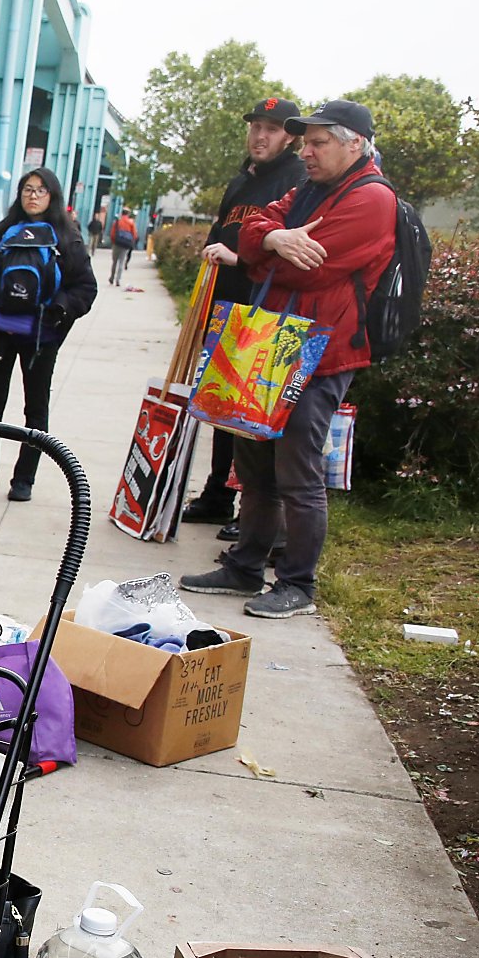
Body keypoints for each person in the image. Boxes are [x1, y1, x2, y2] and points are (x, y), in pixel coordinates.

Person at [180, 100, 395, 619]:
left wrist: (262, 252)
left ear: (355, 143)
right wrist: (274, 238)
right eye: (306, 141)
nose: (307, 150)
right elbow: (249, 233)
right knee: (252, 464)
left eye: (318, 141)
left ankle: (297, 583)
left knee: (298, 471)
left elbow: (307, 270)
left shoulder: (372, 200)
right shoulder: (311, 190)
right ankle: (245, 566)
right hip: (273, 341)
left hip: (322, 351)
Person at [182, 98, 309, 530]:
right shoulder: (243, 179)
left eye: (272, 129)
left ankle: (249, 507)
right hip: (227, 309)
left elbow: (290, 249)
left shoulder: (296, 180)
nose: (260, 136)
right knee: (222, 406)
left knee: (253, 412)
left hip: (266, 313)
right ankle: (218, 492)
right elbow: (223, 230)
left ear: (290, 136)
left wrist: (238, 258)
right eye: (256, 126)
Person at [0, 168, 98, 502]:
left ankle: (24, 480)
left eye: (41, 190)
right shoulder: (2, 233)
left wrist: (59, 311)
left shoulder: (68, 238)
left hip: (41, 338)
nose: (33, 196)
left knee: (35, 409)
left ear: (53, 196)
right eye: (27, 189)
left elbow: (85, 287)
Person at [108, 207, 139, 285]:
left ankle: (112, 277)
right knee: (121, 262)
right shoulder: (131, 223)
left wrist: (113, 241)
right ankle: (118, 279)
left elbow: (112, 233)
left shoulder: (117, 222)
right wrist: (131, 242)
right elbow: (134, 234)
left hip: (117, 243)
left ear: (121, 213)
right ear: (128, 214)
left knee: (114, 262)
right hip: (125, 245)